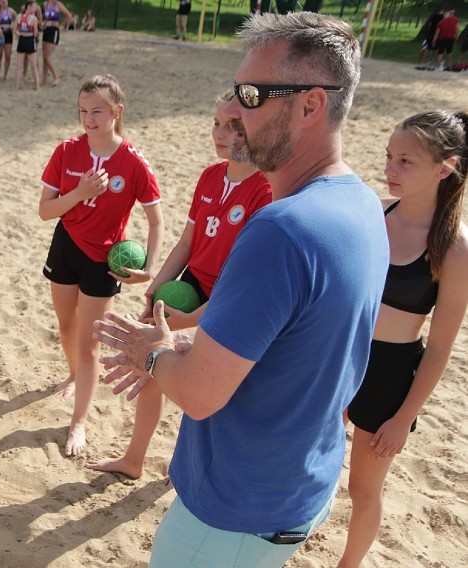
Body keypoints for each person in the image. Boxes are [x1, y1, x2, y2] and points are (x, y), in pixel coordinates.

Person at [93, 13, 389, 567]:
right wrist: (188, 345)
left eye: (250, 94)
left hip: (234, 511)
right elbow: (298, 347)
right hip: (299, 486)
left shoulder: (281, 229)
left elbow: (201, 396)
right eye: (235, 92)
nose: (231, 111)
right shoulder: (363, 204)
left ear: (310, 106)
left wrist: (152, 353)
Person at [86, 90, 271, 478]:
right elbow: (187, 242)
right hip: (188, 287)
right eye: (217, 123)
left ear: (255, 129)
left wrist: (199, 316)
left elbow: (246, 271)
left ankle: (197, 469)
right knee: (153, 369)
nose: (220, 134)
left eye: (233, 127)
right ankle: (134, 460)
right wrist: (157, 288)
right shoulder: (209, 176)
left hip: (227, 299)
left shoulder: (265, 190)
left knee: (206, 389)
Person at [338, 110, 468, 568]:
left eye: (406, 161)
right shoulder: (375, 211)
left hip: (391, 374)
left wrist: (404, 417)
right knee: (305, 457)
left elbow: (439, 347)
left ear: (444, 167)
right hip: (341, 355)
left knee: (362, 489)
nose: (390, 170)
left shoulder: (454, 246)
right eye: (389, 157)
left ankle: (348, 564)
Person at [40, 74, 165, 457]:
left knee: (89, 343)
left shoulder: (132, 161)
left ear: (117, 112)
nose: (89, 119)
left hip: (103, 261)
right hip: (66, 247)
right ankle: (76, 377)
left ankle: (78, 422)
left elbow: (156, 220)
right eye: (83, 111)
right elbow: (46, 211)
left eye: (97, 111)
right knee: (65, 327)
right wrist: (80, 192)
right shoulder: (66, 151)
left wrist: (151, 269)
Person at [39, 0, 71, 86]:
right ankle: (44, 79)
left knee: (47, 56)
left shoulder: (58, 4)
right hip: (46, 31)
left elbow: (69, 15)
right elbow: (43, 17)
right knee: (44, 56)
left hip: (54, 31)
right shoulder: (45, 4)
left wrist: (61, 25)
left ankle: (56, 77)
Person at [14, 0, 40, 90]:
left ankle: (17, 86)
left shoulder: (19, 17)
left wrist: (20, 35)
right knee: (34, 65)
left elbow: (15, 30)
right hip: (30, 40)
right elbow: (35, 32)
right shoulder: (33, 18)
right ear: (29, 7)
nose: (35, 8)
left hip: (22, 40)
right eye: (34, 7)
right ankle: (37, 86)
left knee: (19, 66)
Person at [0, 0, 17, 80]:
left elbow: (17, 18)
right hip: (0, 33)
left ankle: (5, 74)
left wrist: (13, 25)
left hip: (8, 33)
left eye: (6, 1)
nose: (4, 2)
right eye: (3, 1)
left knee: (8, 55)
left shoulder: (11, 11)